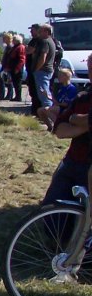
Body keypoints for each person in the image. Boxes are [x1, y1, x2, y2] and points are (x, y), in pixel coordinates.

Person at [40, 53, 91, 206]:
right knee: (50, 208)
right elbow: (60, 130)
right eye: (90, 69)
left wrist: (75, 120)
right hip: (74, 161)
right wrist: (84, 122)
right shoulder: (83, 99)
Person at [32, 22, 57, 114]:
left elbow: (43, 58)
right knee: (45, 93)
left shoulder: (45, 42)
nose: (38, 33)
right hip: (47, 70)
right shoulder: (51, 41)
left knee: (44, 94)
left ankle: (50, 115)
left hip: (43, 71)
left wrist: (36, 69)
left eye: (40, 31)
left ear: (46, 32)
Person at [1, 33, 26, 102]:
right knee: (15, 82)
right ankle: (16, 96)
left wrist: (17, 68)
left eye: (14, 40)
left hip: (17, 69)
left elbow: (21, 59)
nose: (13, 41)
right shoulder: (15, 47)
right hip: (13, 68)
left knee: (18, 83)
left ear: (17, 40)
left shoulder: (20, 47)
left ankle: (18, 97)